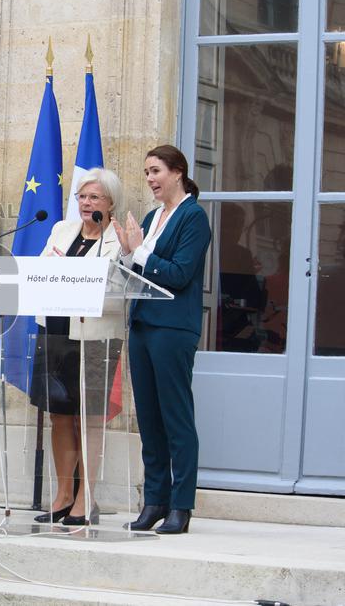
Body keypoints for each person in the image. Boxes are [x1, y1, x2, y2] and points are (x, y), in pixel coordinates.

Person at [113, 144, 211, 535]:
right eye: (147, 173)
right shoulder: (153, 217)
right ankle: (154, 501)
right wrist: (125, 255)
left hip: (172, 329)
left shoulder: (193, 218)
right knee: (149, 419)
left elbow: (179, 274)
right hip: (143, 324)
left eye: (156, 171)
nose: (150, 179)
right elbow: (137, 272)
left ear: (178, 172)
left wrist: (138, 253)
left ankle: (181, 506)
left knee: (176, 418)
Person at [31, 168, 125, 526]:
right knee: (60, 415)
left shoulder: (119, 239)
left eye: (95, 197)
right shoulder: (62, 230)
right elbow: (40, 271)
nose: (86, 204)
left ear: (111, 203)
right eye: (82, 197)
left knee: (90, 418)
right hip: (53, 331)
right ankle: (63, 494)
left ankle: (86, 497)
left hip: (96, 335)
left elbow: (118, 285)